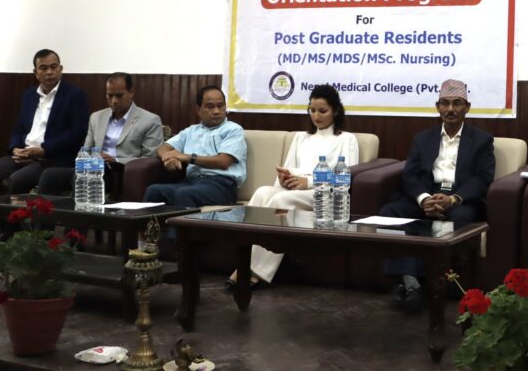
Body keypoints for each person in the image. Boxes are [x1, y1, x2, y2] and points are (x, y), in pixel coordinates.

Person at [226, 84, 360, 290]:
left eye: (322, 111)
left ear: (335, 111)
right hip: (295, 188)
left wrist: (309, 182)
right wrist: (284, 178)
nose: (316, 116)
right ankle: (243, 261)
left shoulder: (346, 139)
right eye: (312, 110)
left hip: (323, 193)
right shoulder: (301, 137)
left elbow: (346, 176)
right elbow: (288, 168)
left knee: (281, 200)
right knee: (262, 193)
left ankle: (253, 271)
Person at [382, 79, 495, 312]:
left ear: (467, 107)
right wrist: (424, 199)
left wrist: (452, 199)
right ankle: (412, 283)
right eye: (445, 103)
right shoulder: (422, 138)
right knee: (389, 213)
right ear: (437, 107)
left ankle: (416, 284)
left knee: (461, 219)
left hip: (459, 200)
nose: (450, 109)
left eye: (457, 103)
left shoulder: (482, 140)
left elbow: (483, 178)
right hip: (426, 197)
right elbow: (409, 175)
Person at [0, 49, 89, 199]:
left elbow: (78, 132)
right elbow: (18, 128)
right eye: (43, 68)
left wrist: (44, 150)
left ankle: (12, 214)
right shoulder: (29, 95)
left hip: (51, 159)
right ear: (36, 73)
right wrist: (15, 148)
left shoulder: (75, 95)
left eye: (54, 67)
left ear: (61, 69)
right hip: (23, 155)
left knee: (16, 180)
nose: (49, 72)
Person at [37, 72, 164, 197]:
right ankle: (45, 211)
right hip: (93, 167)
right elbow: (86, 150)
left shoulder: (150, 120)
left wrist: (116, 160)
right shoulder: (96, 117)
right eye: (110, 96)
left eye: (119, 96)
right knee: (50, 175)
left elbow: (150, 158)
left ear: (131, 92)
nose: (114, 101)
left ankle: (82, 211)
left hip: (122, 172)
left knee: (86, 177)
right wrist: (85, 160)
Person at [143, 86, 247, 207]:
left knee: (185, 194)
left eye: (220, 106)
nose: (216, 111)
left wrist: (187, 157)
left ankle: (182, 221)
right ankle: (146, 221)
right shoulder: (191, 131)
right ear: (198, 109)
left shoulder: (233, 129)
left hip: (222, 185)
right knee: (154, 191)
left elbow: (223, 162)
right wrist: (168, 157)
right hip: (192, 182)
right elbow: (164, 147)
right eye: (210, 106)